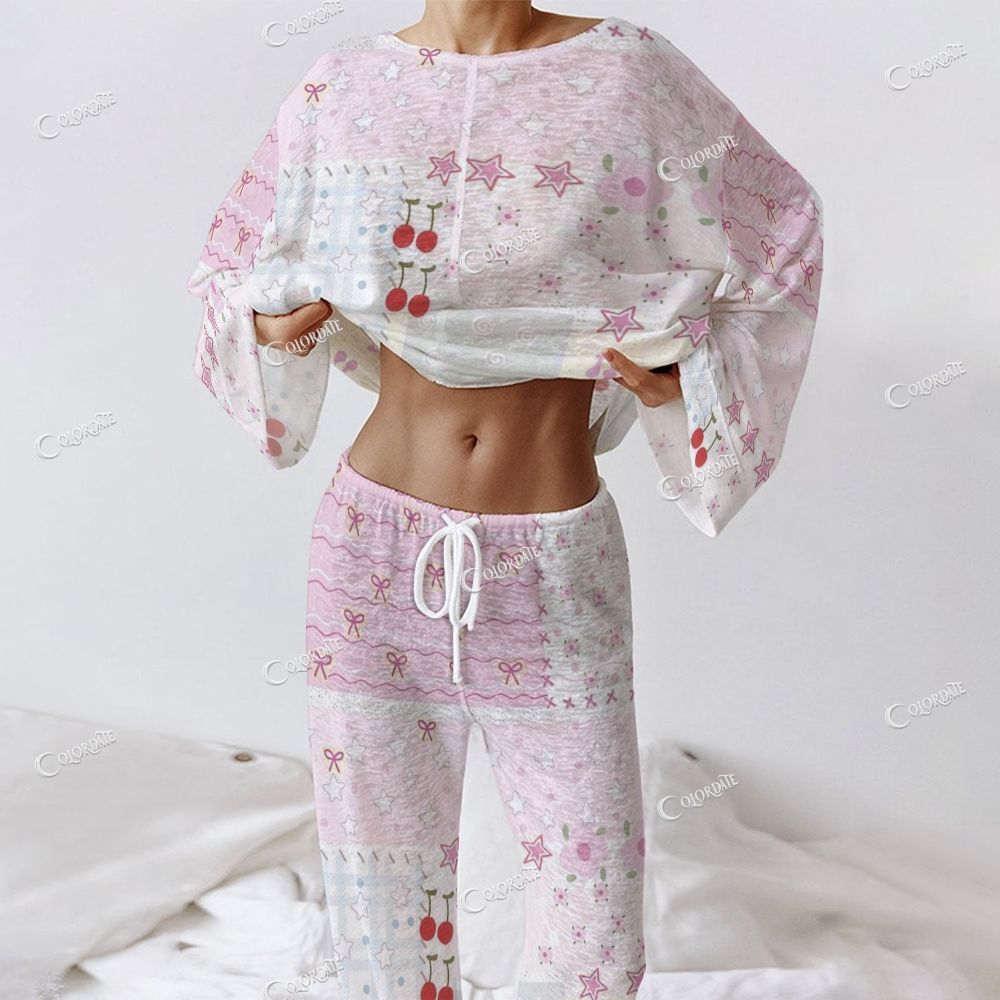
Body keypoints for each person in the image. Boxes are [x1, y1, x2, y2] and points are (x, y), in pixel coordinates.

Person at [186, 3, 824, 996]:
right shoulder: (341, 87)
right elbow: (233, 269)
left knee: (594, 938)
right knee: (384, 914)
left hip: (554, 561)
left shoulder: (631, 74)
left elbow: (783, 231)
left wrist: (690, 373)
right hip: (369, 550)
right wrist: (270, 326)